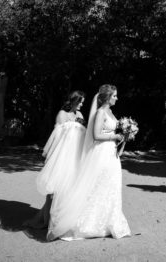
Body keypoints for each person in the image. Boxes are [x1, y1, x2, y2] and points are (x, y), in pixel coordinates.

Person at [47, 84, 131, 240]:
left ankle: (109, 222)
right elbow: (96, 134)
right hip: (102, 154)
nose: (117, 98)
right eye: (114, 96)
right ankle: (87, 224)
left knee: (111, 186)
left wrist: (125, 135)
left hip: (111, 153)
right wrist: (115, 137)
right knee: (98, 186)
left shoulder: (110, 112)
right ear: (107, 97)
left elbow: (109, 131)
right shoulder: (100, 112)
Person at [24, 91, 86, 229]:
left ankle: (59, 220)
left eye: (83, 102)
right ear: (73, 101)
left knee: (68, 189)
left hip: (74, 157)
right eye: (80, 101)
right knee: (54, 189)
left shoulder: (80, 115)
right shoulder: (62, 114)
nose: (82, 104)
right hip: (61, 155)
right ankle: (47, 221)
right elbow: (56, 135)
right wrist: (51, 156)